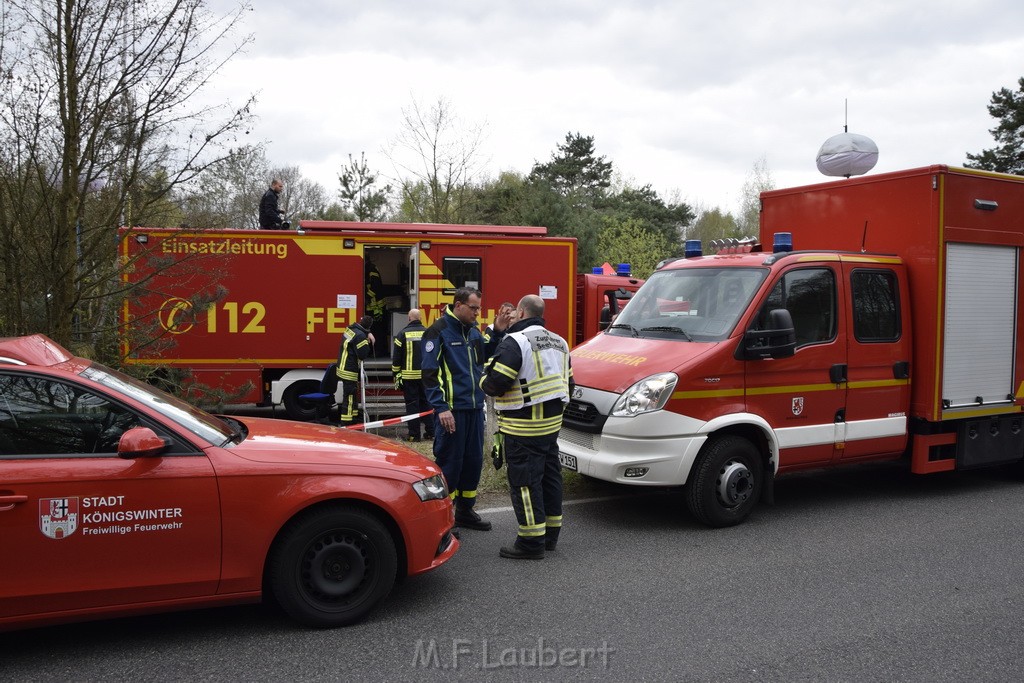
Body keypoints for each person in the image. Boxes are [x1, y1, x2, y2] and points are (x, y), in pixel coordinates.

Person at [481, 294, 573, 560]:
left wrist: (482, 379)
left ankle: (531, 542)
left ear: (521, 312)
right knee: (549, 479)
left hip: (522, 427)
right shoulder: (560, 341)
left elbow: (496, 383)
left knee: (524, 483)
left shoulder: (516, 342)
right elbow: (570, 384)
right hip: (551, 426)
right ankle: (550, 537)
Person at [422, 288, 513, 531]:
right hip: (452, 412)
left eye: (479, 309)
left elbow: (486, 356)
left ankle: (464, 511)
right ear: (458, 305)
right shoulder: (438, 331)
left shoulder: (472, 333)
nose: (476, 313)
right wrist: (441, 408)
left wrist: (498, 331)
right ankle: (442, 520)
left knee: (472, 462)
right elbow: (430, 375)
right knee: (450, 463)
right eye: (473, 308)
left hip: (474, 408)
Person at [391, 309, 433, 442]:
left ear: (409, 318)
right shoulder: (428, 333)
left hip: (409, 377)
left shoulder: (402, 334)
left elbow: (396, 358)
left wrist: (396, 374)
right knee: (427, 404)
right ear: (421, 318)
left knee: (412, 405)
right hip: (426, 376)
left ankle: (414, 435)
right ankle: (431, 432)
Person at [336, 315, 375, 426]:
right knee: (349, 397)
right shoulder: (360, 336)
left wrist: (367, 333)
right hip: (349, 369)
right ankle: (347, 422)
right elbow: (362, 354)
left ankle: (353, 417)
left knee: (352, 395)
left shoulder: (351, 329)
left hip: (342, 366)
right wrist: (367, 342)